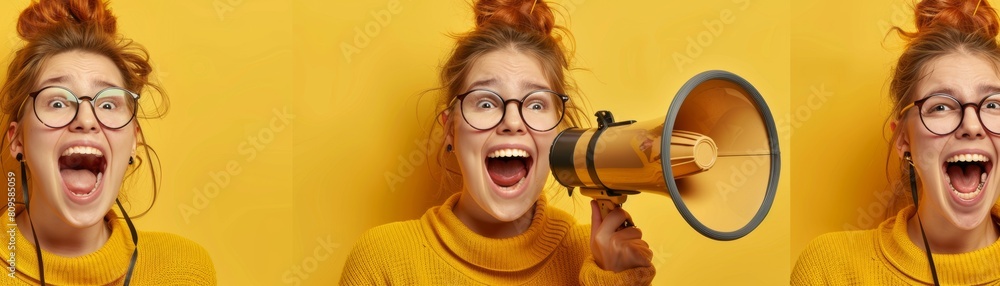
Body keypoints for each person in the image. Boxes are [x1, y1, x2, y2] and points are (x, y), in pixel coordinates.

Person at [340, 0, 655, 284]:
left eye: (535, 104)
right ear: (450, 130)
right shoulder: (382, 262)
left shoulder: (597, 258)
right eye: (487, 102)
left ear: (559, 131)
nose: (513, 122)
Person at [0, 0, 216, 285]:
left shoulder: (183, 270)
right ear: (18, 141)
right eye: (57, 101)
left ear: (133, 141)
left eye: (108, 104)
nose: (86, 119)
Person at [792, 0, 1000, 284]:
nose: (972, 126)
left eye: (992, 105)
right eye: (940, 106)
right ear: (903, 139)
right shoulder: (830, 268)